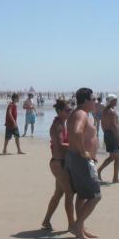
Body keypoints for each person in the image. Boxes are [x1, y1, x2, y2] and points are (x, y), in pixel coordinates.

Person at [65, 88, 101, 239]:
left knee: (82, 196)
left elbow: (80, 133)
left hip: (77, 159)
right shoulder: (81, 114)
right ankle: (77, 225)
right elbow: (77, 131)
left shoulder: (78, 113)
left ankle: (81, 227)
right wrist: (83, 152)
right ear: (86, 100)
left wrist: (91, 154)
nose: (96, 101)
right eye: (93, 99)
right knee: (95, 196)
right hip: (80, 160)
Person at [42, 99, 74, 231]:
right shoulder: (58, 125)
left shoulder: (62, 123)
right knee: (70, 193)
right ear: (60, 111)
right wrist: (76, 146)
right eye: (67, 110)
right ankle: (72, 225)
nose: (69, 112)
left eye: (70, 110)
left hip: (60, 163)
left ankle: (46, 221)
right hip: (58, 163)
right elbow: (60, 145)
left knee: (58, 194)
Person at [97, 94, 119, 183]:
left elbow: (102, 124)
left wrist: (105, 133)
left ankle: (114, 177)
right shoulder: (111, 111)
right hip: (113, 135)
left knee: (114, 157)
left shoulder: (104, 111)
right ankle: (113, 177)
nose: (116, 101)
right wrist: (118, 139)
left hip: (108, 134)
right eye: (115, 100)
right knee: (117, 157)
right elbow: (113, 126)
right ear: (111, 101)